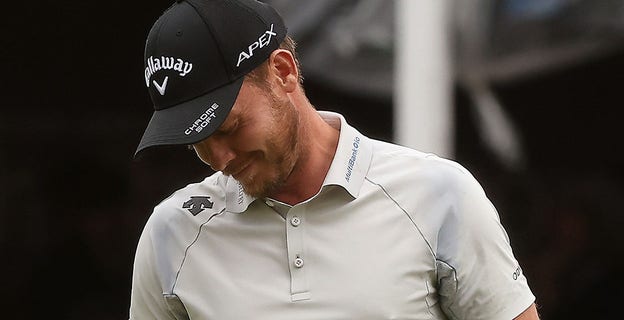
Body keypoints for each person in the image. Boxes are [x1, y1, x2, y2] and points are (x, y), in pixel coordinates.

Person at [130, 0, 539, 319]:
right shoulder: (171, 233)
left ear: (284, 72)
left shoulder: (440, 195)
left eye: (228, 127)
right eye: (197, 141)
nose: (219, 158)